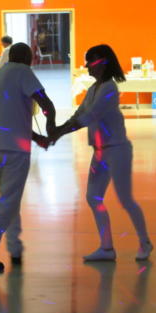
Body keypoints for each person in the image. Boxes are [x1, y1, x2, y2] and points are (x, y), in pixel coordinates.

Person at [50, 44, 153, 261]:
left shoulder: (109, 88)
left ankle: (145, 242)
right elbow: (79, 113)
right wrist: (58, 131)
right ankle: (106, 248)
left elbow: (91, 116)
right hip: (100, 152)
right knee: (93, 197)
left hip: (117, 151)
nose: (87, 65)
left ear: (103, 62)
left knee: (125, 199)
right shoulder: (93, 89)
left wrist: (58, 133)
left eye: (91, 61)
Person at [0, 43, 56, 273]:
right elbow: (46, 103)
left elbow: (10, 118)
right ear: (27, 59)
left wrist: (37, 138)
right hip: (15, 150)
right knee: (7, 203)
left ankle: (14, 247)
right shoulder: (23, 72)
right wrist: (52, 126)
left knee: (10, 200)